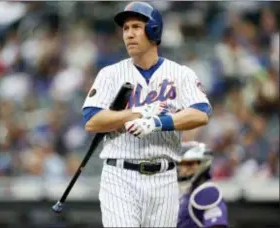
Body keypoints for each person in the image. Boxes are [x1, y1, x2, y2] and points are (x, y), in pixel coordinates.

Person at [82, 2, 212, 227]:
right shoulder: (110, 74)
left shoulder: (179, 73)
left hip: (165, 177)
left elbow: (200, 113)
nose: (129, 34)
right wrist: (134, 114)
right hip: (120, 175)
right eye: (125, 29)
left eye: (135, 27)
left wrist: (157, 123)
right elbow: (92, 121)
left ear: (153, 30)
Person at [177, 141, 228, 228]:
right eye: (181, 164)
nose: (183, 169)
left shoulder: (208, 193)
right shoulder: (186, 192)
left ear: (203, 163)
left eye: (189, 163)